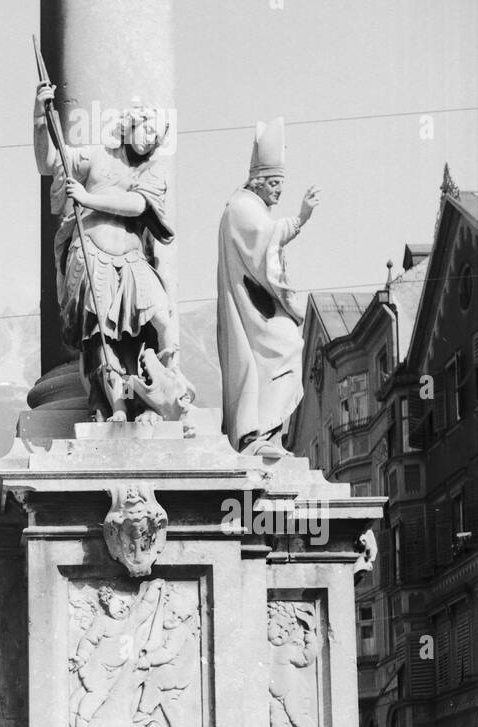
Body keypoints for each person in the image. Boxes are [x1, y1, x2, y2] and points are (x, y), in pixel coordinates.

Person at [35, 83, 189, 422]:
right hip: (92, 255)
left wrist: (87, 199)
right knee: (100, 336)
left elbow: (136, 205)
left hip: (133, 259)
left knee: (161, 318)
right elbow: (49, 160)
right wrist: (39, 117)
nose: (149, 140)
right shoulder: (95, 156)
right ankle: (117, 406)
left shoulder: (152, 170)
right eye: (147, 130)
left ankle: (163, 388)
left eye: (156, 137)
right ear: (130, 124)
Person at [217, 117, 319, 454]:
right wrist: (301, 219)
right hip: (252, 309)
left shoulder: (248, 206)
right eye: (275, 185)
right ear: (259, 181)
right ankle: (257, 434)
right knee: (286, 345)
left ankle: (267, 433)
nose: (278, 192)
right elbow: (265, 242)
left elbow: (268, 238)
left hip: (255, 304)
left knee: (286, 347)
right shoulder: (242, 208)